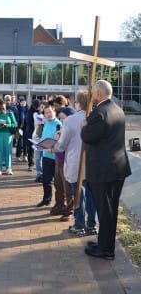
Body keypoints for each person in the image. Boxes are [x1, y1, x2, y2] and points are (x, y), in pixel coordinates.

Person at [81, 80, 131, 260]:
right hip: (118, 167)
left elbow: (89, 136)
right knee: (110, 210)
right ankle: (105, 243)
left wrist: (84, 127)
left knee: (104, 210)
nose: (92, 95)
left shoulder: (99, 113)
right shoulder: (118, 109)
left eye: (93, 92)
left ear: (100, 94)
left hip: (103, 171)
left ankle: (106, 250)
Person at [52, 91, 97, 232]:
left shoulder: (70, 120)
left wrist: (54, 145)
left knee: (77, 194)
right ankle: (91, 224)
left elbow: (62, 144)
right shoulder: (95, 118)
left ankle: (79, 225)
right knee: (90, 195)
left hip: (75, 163)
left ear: (78, 103)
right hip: (92, 163)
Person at [36, 105, 61, 207]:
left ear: (54, 112)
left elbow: (60, 141)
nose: (48, 114)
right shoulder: (46, 123)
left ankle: (59, 203)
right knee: (46, 180)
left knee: (58, 183)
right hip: (46, 155)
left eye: (50, 112)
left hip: (56, 157)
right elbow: (44, 137)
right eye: (46, 113)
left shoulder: (58, 124)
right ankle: (46, 199)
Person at [0, 99, 18, 175]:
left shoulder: (10, 113)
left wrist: (7, 125)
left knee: (8, 152)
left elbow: (15, 124)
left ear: (5, 105)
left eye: (3, 105)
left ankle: (8, 168)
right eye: (1, 106)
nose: (2, 107)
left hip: (8, 135)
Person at [24, 99, 40, 171]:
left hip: (38, 133)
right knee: (30, 149)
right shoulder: (29, 112)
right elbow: (28, 123)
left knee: (38, 150)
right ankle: (31, 164)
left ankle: (38, 165)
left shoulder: (39, 112)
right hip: (30, 133)